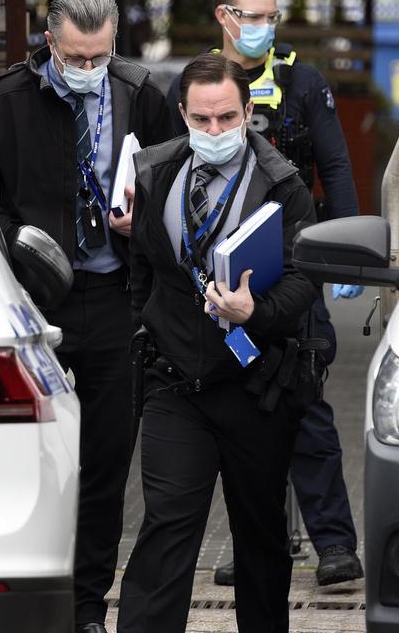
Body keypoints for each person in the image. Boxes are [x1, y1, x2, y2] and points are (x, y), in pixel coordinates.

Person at [0, 0, 171, 633]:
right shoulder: (4, 102)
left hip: (114, 300)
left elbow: (176, 184)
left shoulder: (142, 96)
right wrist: (18, 241)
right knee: (30, 461)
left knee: (105, 469)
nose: (87, 70)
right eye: (75, 57)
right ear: (49, 42)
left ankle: (85, 611)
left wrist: (148, 222)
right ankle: (25, 600)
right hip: (32, 304)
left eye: (99, 57)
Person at [166, 0, 366, 588]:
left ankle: (333, 544)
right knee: (234, 409)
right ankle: (257, 542)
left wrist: (348, 251)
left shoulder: (302, 83)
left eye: (271, 17)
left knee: (304, 404)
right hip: (221, 277)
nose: (264, 29)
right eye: (253, 17)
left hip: (292, 272)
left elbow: (333, 166)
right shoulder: (200, 87)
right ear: (225, 17)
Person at [118, 54, 317, 633]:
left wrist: (258, 312)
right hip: (174, 384)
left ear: (248, 111)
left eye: (227, 118)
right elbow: (143, 267)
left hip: (255, 384)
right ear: (182, 114)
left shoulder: (282, 183)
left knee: (259, 538)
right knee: (166, 530)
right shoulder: (154, 172)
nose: (214, 132)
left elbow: (307, 278)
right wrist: (148, 328)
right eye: (201, 120)